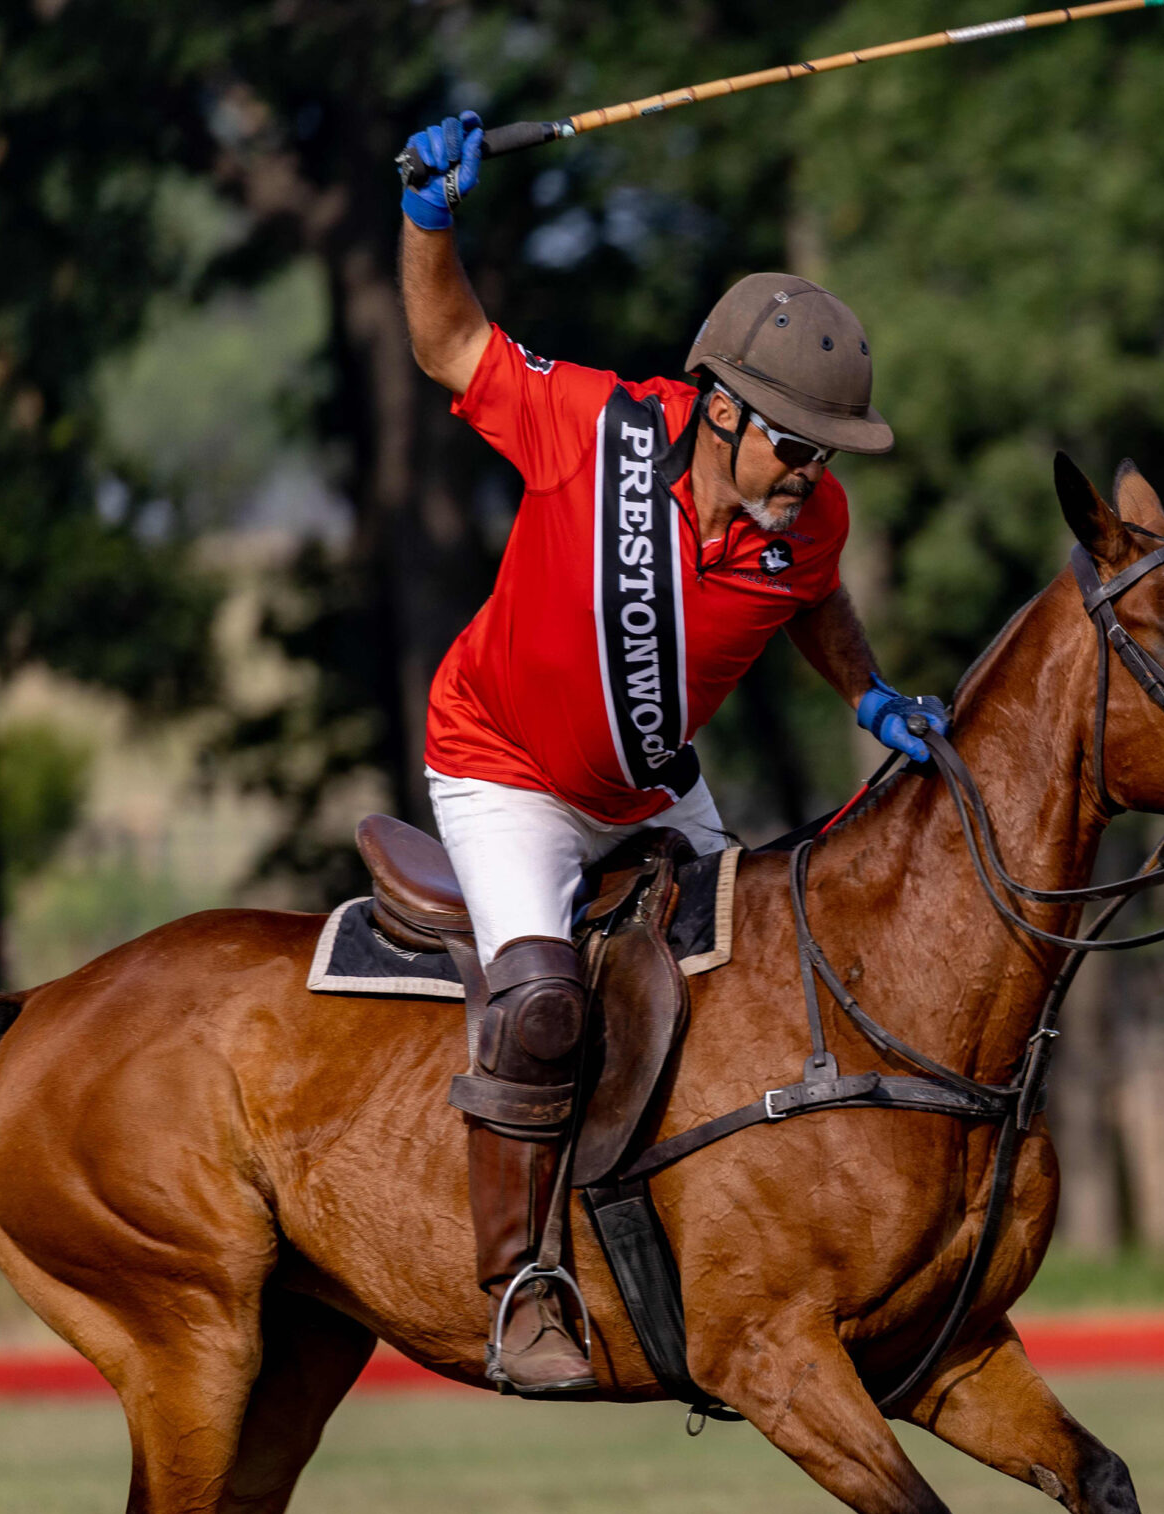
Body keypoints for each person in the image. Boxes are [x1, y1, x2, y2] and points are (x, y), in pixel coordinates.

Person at [396, 111, 949, 1396]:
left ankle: (740, 1255)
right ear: (722, 414)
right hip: (503, 771)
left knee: (771, 981)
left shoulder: (806, 524)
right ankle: (525, 1281)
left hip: (650, 787)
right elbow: (448, 342)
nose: (813, 479)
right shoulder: (590, 433)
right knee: (539, 1004)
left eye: (828, 456)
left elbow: (817, 601)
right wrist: (428, 216)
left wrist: (867, 699)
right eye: (797, 447)